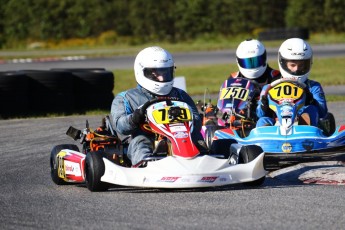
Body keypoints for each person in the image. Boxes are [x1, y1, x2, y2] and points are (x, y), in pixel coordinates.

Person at [110, 46, 207, 167]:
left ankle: (205, 160)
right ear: (142, 71)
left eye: (165, 72)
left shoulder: (180, 95)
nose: (161, 78)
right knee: (140, 142)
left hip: (181, 138)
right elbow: (120, 126)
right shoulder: (126, 98)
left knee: (197, 138)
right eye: (155, 73)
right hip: (147, 138)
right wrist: (135, 118)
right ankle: (147, 164)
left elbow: (196, 122)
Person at [256, 38, 328, 127]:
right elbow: (259, 114)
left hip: (301, 124)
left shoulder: (313, 87)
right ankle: (264, 135)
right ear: (283, 63)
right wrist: (264, 104)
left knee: (311, 110)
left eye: (301, 65)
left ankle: (305, 126)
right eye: (292, 65)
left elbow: (322, 112)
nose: (297, 69)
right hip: (277, 124)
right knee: (263, 120)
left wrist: (311, 100)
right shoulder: (269, 88)